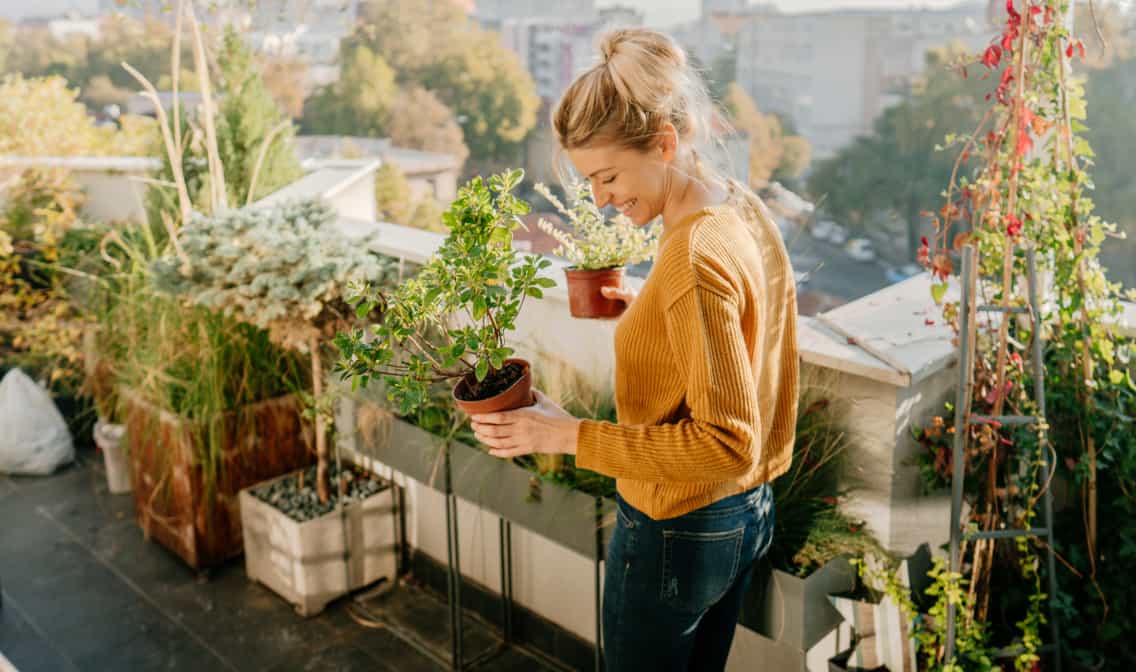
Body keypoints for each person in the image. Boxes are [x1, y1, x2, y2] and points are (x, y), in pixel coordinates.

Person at [470, 27, 799, 672]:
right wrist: (645, 309)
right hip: (746, 514)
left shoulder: (692, 259)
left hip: (680, 524)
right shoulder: (738, 207)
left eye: (609, 174)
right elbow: (750, 330)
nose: (600, 198)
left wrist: (565, 436)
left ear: (667, 143)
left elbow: (728, 441)